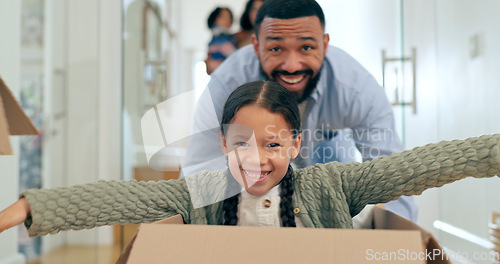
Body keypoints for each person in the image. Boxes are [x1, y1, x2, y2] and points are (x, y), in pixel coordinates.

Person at [0, 81, 499, 236]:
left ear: (297, 144)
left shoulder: (331, 186)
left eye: (272, 144)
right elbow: (124, 199)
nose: (255, 160)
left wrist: (492, 153)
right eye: (241, 143)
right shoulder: (206, 190)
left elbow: (420, 165)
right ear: (222, 144)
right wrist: (25, 209)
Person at [183, 0, 416, 222]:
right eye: (275, 48)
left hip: (328, 162)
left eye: (306, 47)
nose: (292, 66)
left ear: (324, 45)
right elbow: (198, 176)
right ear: (256, 47)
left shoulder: (357, 89)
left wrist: (392, 245)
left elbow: (393, 181)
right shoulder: (225, 87)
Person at [204, 7, 237, 75]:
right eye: (223, 17)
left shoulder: (229, 37)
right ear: (215, 19)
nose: (227, 20)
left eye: (229, 17)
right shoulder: (220, 37)